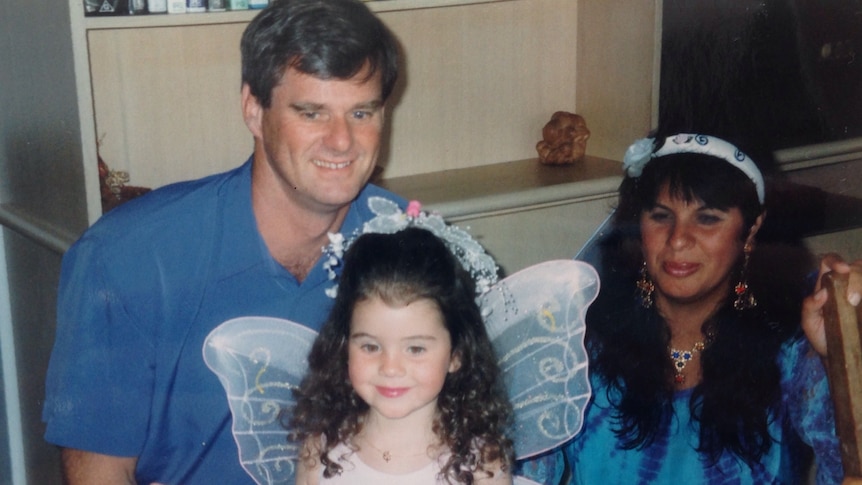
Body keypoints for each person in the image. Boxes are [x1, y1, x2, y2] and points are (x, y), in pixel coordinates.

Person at [41, 0, 402, 483]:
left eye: (361, 112)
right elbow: (99, 472)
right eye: (311, 113)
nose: (341, 141)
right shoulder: (128, 261)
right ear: (254, 110)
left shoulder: (411, 246)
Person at [565, 132, 859, 483]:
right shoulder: (581, 348)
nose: (677, 239)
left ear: (751, 230)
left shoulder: (790, 356)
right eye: (661, 216)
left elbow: (850, 472)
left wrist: (840, 356)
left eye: (707, 219)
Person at [289, 227, 514, 484]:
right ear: (343, 346)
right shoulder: (319, 452)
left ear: (456, 355)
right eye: (370, 347)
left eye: (415, 349)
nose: (390, 368)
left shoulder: (482, 465)